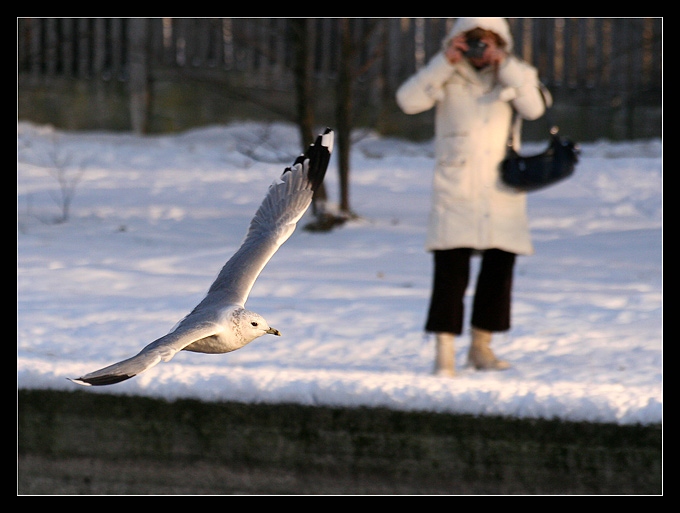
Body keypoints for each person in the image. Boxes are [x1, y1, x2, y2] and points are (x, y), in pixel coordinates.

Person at [396, 17, 548, 377]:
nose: (480, 51)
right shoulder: (446, 74)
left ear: (501, 43)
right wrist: (443, 61)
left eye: (488, 42)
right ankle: (444, 353)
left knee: (499, 269)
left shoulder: (515, 73)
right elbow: (407, 101)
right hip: (456, 187)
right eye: (473, 42)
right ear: (458, 41)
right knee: (451, 271)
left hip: (500, 190)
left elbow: (535, 108)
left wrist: (505, 65)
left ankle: (482, 347)